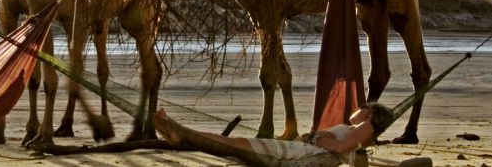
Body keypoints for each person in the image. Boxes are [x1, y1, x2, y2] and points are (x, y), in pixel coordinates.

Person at [153, 102, 394, 167]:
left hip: (297, 155)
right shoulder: (359, 130)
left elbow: (340, 148)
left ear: (369, 114)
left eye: (363, 107)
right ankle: (180, 133)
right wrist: (320, 139)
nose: (358, 108)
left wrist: (317, 138)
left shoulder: (365, 127)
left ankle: (179, 132)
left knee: (234, 143)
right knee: (233, 144)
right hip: (300, 153)